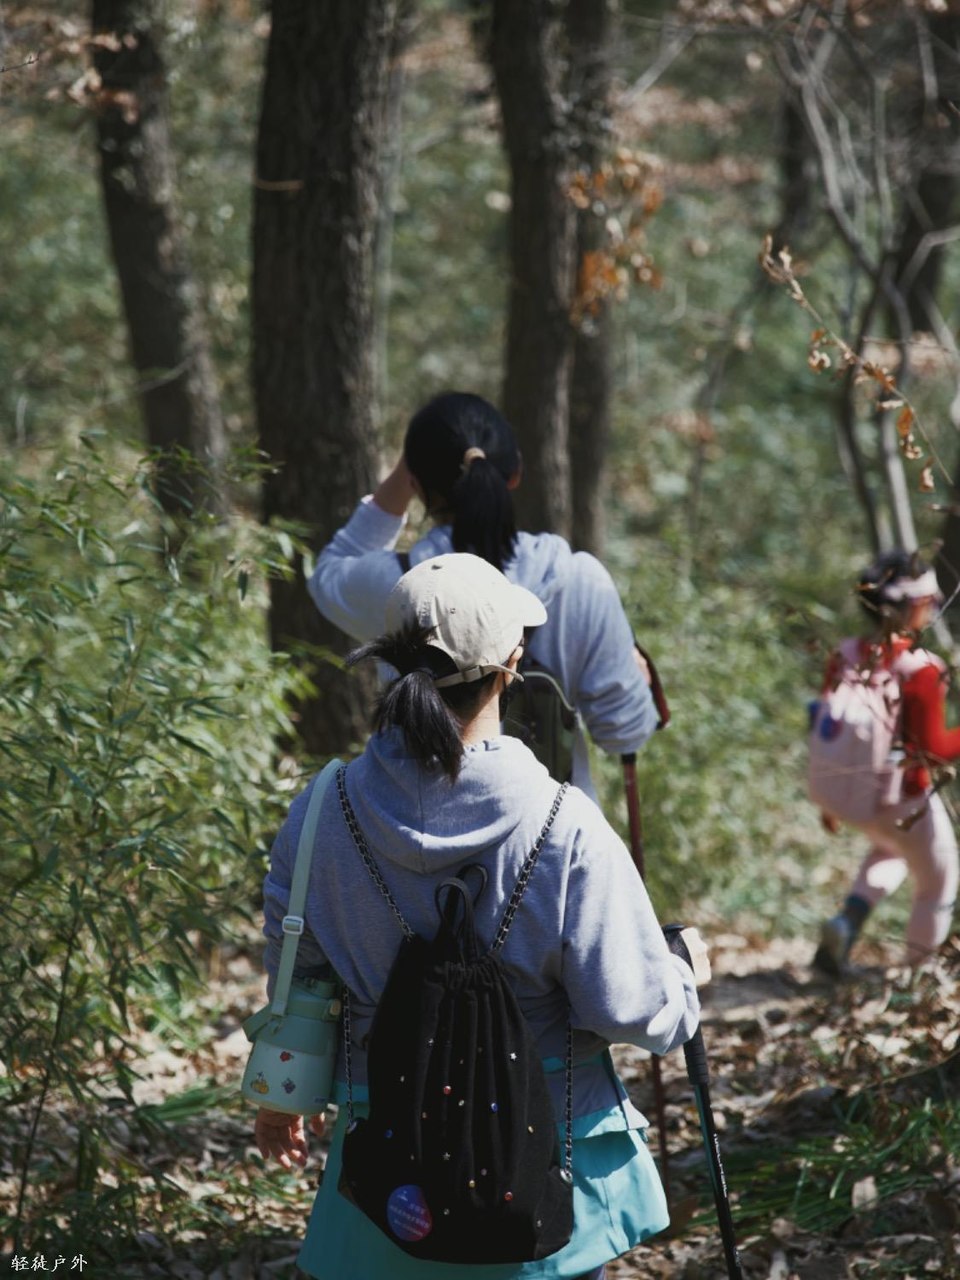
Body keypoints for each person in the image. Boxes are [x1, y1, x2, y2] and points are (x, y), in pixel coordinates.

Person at [254, 552, 709, 1280]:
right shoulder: (565, 825)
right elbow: (632, 1009)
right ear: (512, 664)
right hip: (542, 1167)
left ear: (392, 663)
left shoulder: (321, 814)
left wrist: (281, 1100)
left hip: (387, 1174)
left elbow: (297, 979)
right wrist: (682, 977)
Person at [308, 391, 660, 802]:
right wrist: (638, 679)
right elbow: (624, 734)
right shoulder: (579, 580)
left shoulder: (400, 587)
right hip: (551, 829)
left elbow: (328, 572)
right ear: (515, 474)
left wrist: (410, 466)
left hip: (420, 829)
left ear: (417, 485)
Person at [812, 549, 959, 975]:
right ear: (911, 607)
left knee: (890, 849)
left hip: (856, 797)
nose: (934, 606)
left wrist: (830, 797)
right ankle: (919, 978)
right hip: (906, 797)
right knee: (938, 881)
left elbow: (826, 726)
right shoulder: (921, 669)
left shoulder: (845, 654)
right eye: (929, 600)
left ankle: (846, 923)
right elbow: (932, 750)